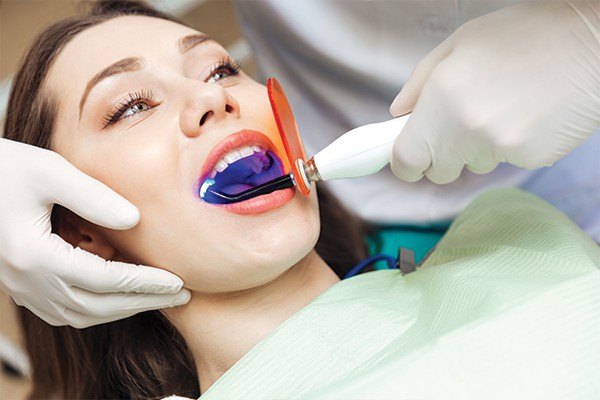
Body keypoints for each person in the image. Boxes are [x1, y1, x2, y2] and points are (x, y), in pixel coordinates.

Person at [5, 2, 600, 399]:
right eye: (131, 105)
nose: (210, 100)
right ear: (81, 232)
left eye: (219, 69)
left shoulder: (520, 237)